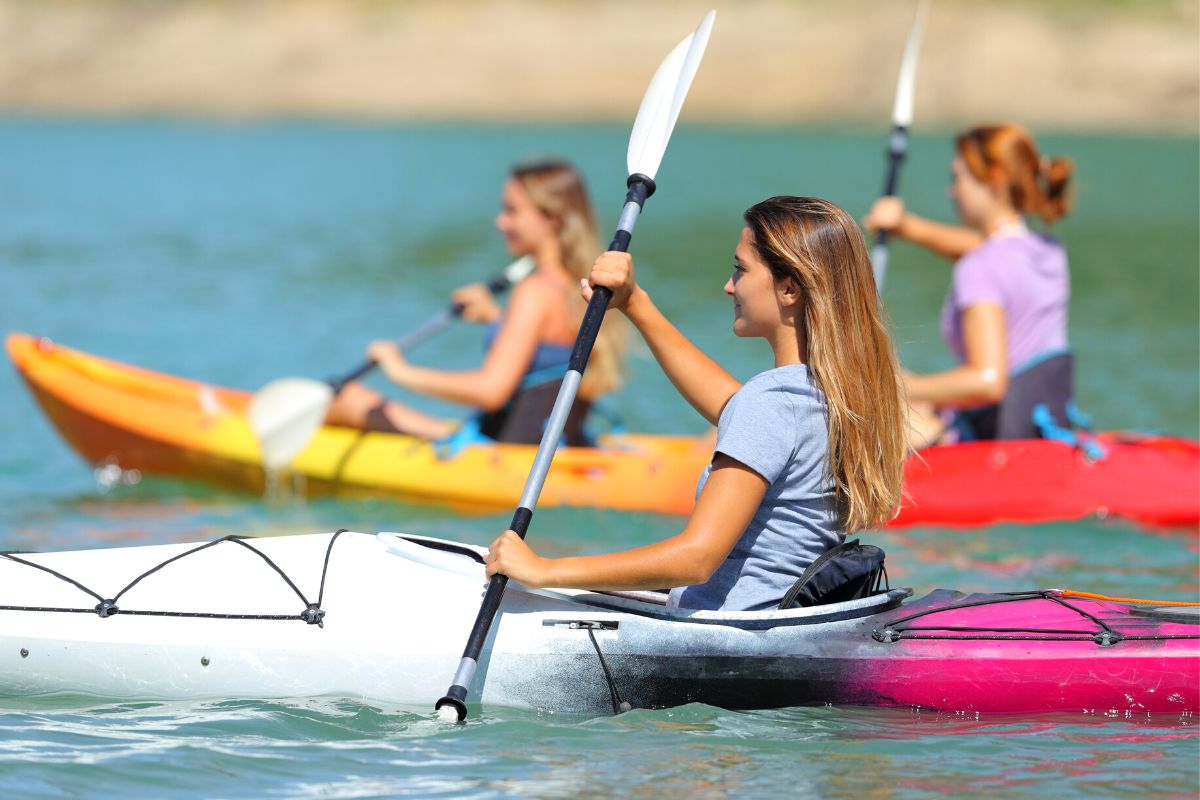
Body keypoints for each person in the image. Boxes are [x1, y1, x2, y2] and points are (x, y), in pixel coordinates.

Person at [484, 196, 907, 611]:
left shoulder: (772, 405)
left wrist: (543, 569)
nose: (729, 285)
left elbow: (696, 559)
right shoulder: (825, 394)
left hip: (725, 638)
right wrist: (634, 303)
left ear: (790, 287)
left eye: (740, 270)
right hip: (766, 621)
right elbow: (734, 405)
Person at [325, 159, 626, 446]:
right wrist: (495, 318)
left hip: (504, 450)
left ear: (552, 218)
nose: (500, 221)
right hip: (554, 444)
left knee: (344, 399)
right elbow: (546, 352)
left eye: (512, 211)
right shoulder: (582, 289)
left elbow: (491, 391)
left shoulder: (534, 292)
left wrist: (400, 370)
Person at [864, 123, 1074, 448]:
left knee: (878, 408)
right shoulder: (1048, 251)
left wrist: (897, 386)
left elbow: (987, 381)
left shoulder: (979, 267)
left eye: (957, 177)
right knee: (921, 402)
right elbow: (987, 249)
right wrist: (906, 227)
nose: (952, 190)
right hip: (1041, 426)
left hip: (994, 436)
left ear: (994, 179)